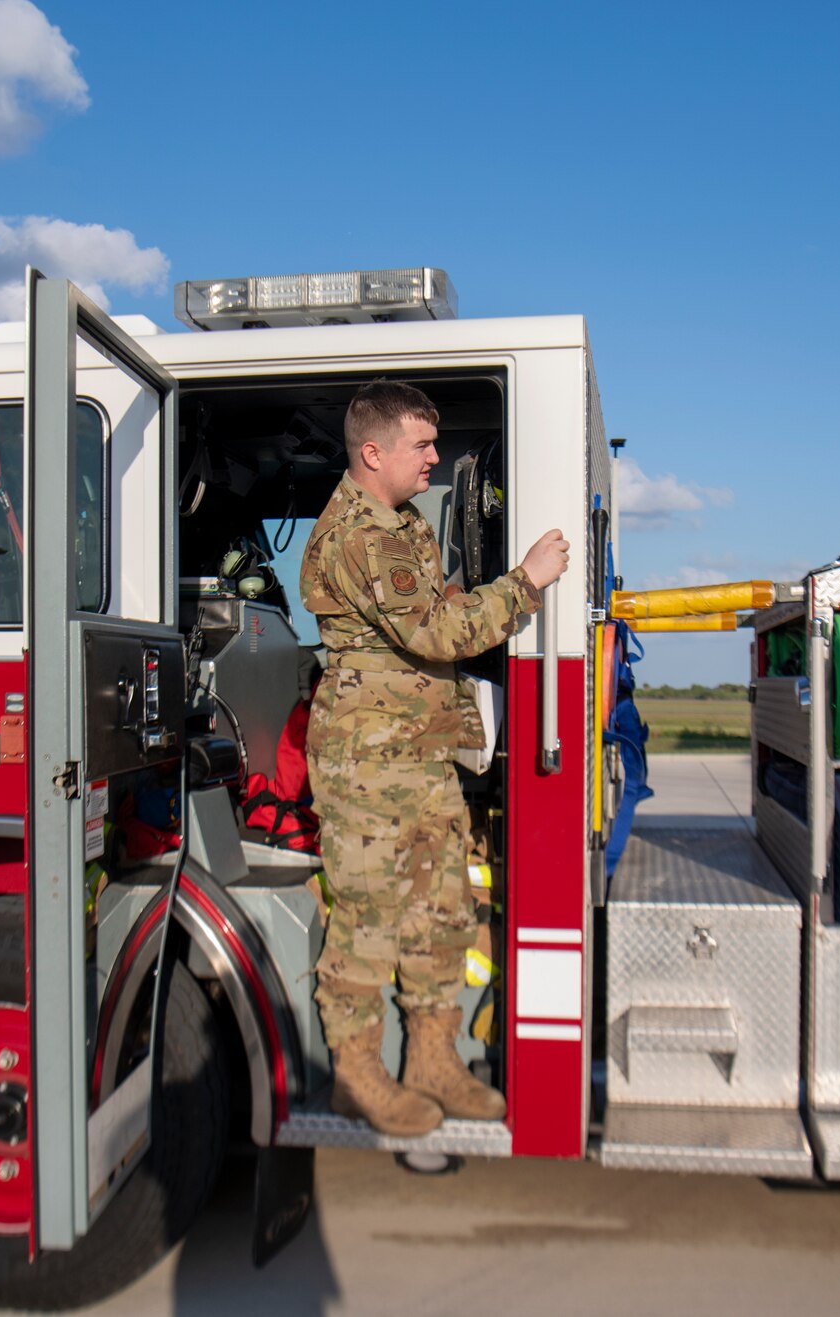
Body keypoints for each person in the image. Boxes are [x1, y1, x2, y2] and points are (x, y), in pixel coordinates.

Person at [298, 380, 568, 1136]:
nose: (435, 456)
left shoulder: (401, 519)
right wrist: (527, 583)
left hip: (416, 756)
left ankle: (432, 1060)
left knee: (442, 909)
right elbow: (436, 632)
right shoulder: (362, 534)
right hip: (369, 764)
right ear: (373, 451)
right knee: (368, 920)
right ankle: (356, 1073)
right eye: (421, 445)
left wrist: (464, 601)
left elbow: (436, 604)